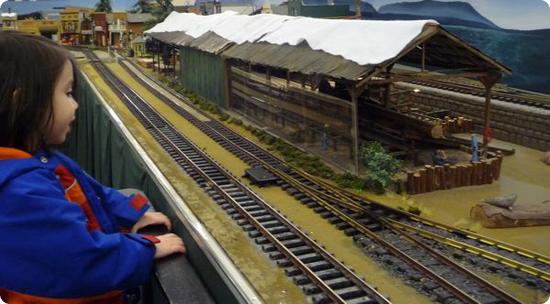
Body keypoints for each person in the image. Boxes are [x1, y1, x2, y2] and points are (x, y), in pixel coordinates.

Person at [0, 31, 185, 303]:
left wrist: (134, 214)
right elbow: (79, 261)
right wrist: (146, 248)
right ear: (23, 101)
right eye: (67, 93)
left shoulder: (41, 159)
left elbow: (94, 193)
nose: (75, 105)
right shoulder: (18, 193)